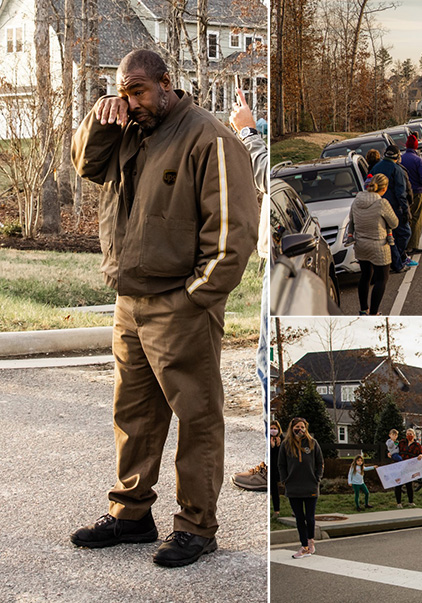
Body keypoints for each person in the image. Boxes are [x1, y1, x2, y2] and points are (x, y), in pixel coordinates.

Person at [69, 49, 258, 568]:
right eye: (122, 92)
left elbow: (233, 236)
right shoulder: (127, 129)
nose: (130, 102)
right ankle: (131, 513)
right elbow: (86, 164)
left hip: (181, 304)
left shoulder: (209, 137)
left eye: (137, 91)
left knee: (196, 417)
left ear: (166, 83)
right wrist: (102, 118)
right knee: (133, 414)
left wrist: (193, 298)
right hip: (130, 299)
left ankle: (197, 526)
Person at [229, 86, 271, 492]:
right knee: (266, 364)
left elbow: (269, 178)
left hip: (281, 268)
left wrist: (248, 133)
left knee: (266, 365)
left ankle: (272, 463)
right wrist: (252, 125)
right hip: (275, 262)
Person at [346, 173, 399, 315]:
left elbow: (352, 219)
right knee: (382, 278)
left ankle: (363, 309)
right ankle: (374, 313)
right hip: (379, 245)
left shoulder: (357, 200)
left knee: (365, 275)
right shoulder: (382, 203)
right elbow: (394, 223)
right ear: (384, 188)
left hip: (361, 245)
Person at [278, 417, 324, 559]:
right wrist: (285, 480)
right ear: (292, 428)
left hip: (310, 486)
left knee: (310, 518)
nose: (300, 429)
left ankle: (311, 541)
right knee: (299, 518)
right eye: (297, 427)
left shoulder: (312, 443)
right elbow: (281, 464)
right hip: (293, 487)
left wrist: (317, 478)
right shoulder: (286, 445)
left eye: (302, 427)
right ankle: (303, 546)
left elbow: (320, 463)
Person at [370, 146, 412, 274]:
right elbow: (401, 193)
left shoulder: (376, 167)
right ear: (397, 156)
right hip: (393, 208)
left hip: (376, 206)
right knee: (404, 233)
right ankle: (396, 260)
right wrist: (406, 210)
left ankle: (395, 260)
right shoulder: (396, 169)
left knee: (389, 234)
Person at [401, 133, 422, 256]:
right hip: (417, 192)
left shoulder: (401, 159)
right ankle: (413, 245)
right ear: (415, 146)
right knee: (416, 218)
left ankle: (405, 244)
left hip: (403, 193)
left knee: (405, 218)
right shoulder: (418, 160)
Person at [394, 428, 422, 508]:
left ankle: (410, 502)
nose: (409, 435)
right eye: (407, 434)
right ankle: (399, 503)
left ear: (413, 435)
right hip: (400, 465)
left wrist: (420, 456)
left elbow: (420, 453)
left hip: (410, 467)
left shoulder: (417, 445)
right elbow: (395, 449)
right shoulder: (402, 442)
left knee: (409, 485)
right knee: (398, 484)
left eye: (410, 434)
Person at [267, 420, 284, 518]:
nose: (273, 430)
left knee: (287, 488)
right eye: (271, 428)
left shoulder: (282, 439)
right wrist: (271, 446)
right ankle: (276, 510)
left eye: (275, 428)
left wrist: (278, 445)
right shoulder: (268, 439)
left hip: (280, 467)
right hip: (271, 468)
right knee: (274, 490)